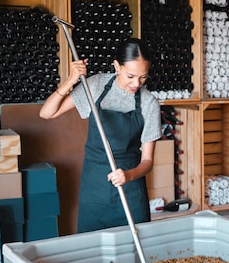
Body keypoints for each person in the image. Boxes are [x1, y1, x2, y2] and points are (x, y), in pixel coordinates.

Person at [40, 38, 162, 233]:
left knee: (135, 253)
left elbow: (147, 161)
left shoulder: (149, 103)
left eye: (143, 77)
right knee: (94, 250)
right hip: (94, 186)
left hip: (130, 188)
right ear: (116, 66)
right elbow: (47, 113)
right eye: (130, 76)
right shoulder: (95, 85)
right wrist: (71, 81)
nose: (136, 83)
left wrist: (128, 175)